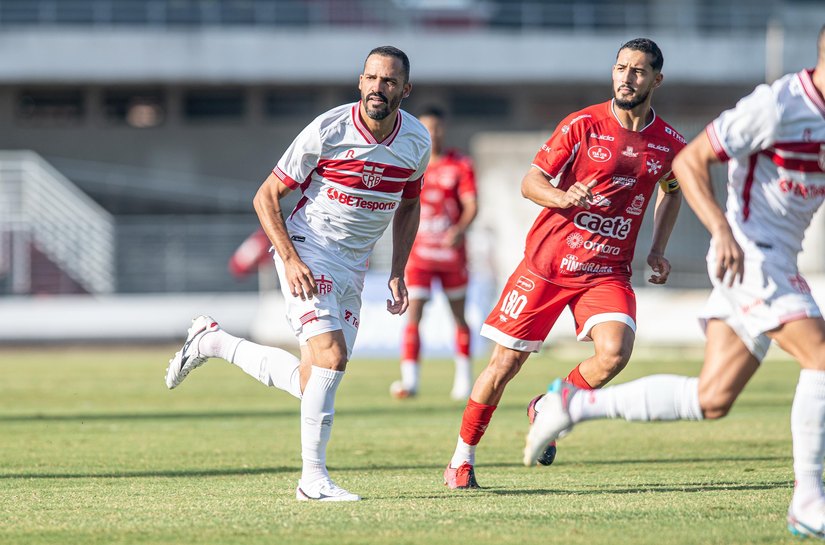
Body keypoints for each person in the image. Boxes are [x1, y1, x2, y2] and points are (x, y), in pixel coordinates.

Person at [524, 25, 825, 539]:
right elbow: (688, 162)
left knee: (712, 399)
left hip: (774, 259)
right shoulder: (779, 104)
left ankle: (575, 403)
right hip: (751, 256)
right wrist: (723, 231)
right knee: (821, 358)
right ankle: (809, 499)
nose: (627, 76)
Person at [164, 45, 430, 502]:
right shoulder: (328, 129)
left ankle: (212, 341)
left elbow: (409, 204)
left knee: (313, 382)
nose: (377, 88)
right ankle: (313, 480)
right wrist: (290, 259)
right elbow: (266, 196)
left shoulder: (416, 142)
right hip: (311, 250)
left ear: (404, 89)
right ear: (359, 82)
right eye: (370, 78)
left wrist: (398, 269)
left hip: (356, 263)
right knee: (331, 358)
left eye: (388, 81)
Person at [444, 38, 685, 489]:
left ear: (656, 79)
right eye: (620, 68)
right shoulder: (582, 124)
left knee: (614, 353)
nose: (626, 78)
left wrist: (657, 248)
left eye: (637, 71)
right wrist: (562, 195)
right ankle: (462, 459)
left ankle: (550, 405)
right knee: (503, 366)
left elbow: (673, 191)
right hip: (547, 266)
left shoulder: (669, 143)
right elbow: (530, 181)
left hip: (607, 271)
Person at [390, 106, 479, 401]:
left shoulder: (460, 165)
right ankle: (410, 381)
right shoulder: (412, 163)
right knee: (413, 315)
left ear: (444, 130)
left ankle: (464, 381)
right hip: (420, 256)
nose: (433, 133)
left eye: (437, 128)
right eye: (427, 128)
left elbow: (471, 205)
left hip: (451, 255)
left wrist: (460, 229)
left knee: (459, 317)